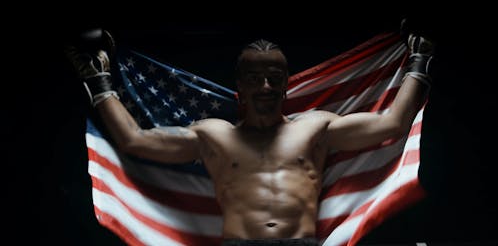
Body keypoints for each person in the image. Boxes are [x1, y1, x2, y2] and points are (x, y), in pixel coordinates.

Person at [64, 28, 434, 246]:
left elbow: (392, 125)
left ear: (287, 84)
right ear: (239, 86)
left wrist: (419, 61)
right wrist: (101, 82)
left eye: (275, 77)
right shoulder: (214, 136)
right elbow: (135, 141)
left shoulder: (315, 128)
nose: (266, 86)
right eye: (255, 78)